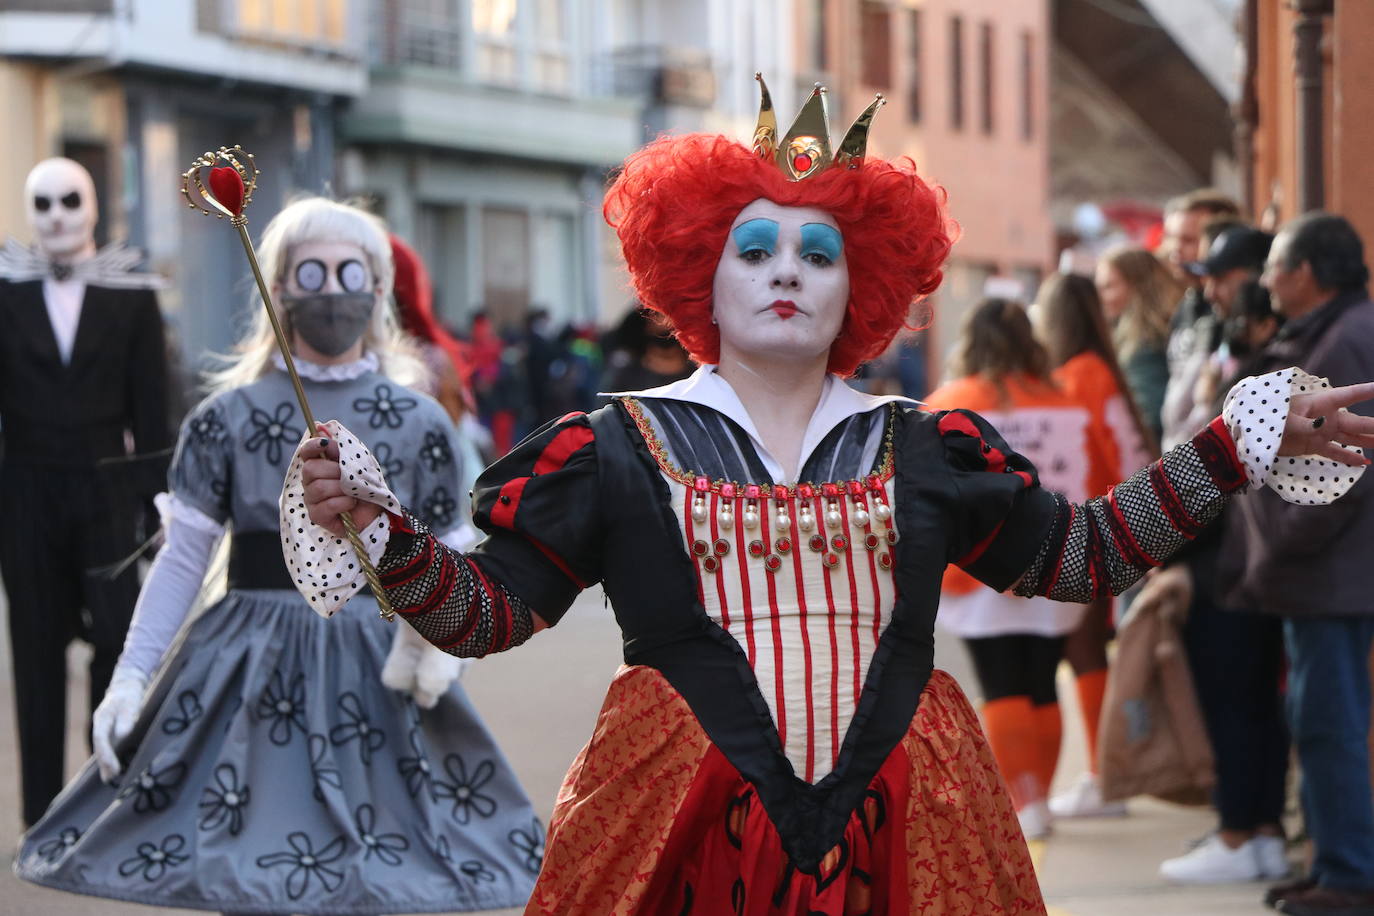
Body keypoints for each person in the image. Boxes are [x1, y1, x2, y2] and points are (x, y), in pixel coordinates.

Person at [289, 82, 1374, 914]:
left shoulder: (925, 444)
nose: (787, 271)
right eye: (754, 247)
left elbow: (1083, 559)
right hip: (682, 818)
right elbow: (487, 614)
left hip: (912, 818)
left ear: (862, 285)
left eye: (820, 252)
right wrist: (380, 530)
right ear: (699, 277)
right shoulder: (609, 443)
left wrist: (1233, 447)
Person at [14, 198, 540, 914]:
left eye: (349, 273)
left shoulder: (420, 422)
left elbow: (453, 554)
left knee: (381, 869)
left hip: (378, 670)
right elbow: (182, 559)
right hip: (245, 673)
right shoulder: (221, 419)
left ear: (379, 290)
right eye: (311, 274)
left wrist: (441, 648)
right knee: (250, 861)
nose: (331, 291)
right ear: (280, 288)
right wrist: (132, 677)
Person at [0, 157, 172, 828]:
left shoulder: (130, 293)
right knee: (35, 648)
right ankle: (41, 814)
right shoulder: (7, 293)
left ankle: (103, 795)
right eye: (42, 204)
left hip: (108, 493)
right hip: (26, 492)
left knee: (117, 642)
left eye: (70, 201)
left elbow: (151, 411)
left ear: (94, 206)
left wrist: (159, 504)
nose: (58, 217)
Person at [1217, 213, 1374, 916]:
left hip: (1331, 572)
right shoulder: (1336, 331)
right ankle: (1334, 864)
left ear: (1305, 273)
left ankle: (1348, 873)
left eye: (1276, 266)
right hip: (1323, 572)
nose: (1266, 281)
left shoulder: (1348, 338)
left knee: (1326, 720)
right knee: (1315, 715)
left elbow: (1347, 473)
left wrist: (1274, 543)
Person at [925, 297, 1103, 839]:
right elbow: (1105, 470)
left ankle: (1020, 803)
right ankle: (1040, 800)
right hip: (1059, 557)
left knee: (1002, 685)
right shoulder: (1068, 400)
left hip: (979, 572)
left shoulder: (950, 403)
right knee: (1042, 681)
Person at [1032, 272, 1155, 821]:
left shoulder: (1077, 376)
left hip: (1083, 532)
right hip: (1108, 529)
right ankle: (1107, 778)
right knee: (1084, 654)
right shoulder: (1102, 371)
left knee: (1081, 655)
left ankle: (1107, 778)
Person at [1095, 246, 1183, 446]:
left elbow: (1148, 416)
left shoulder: (1144, 345)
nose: (1099, 297)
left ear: (1137, 286)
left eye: (1108, 287)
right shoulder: (1164, 328)